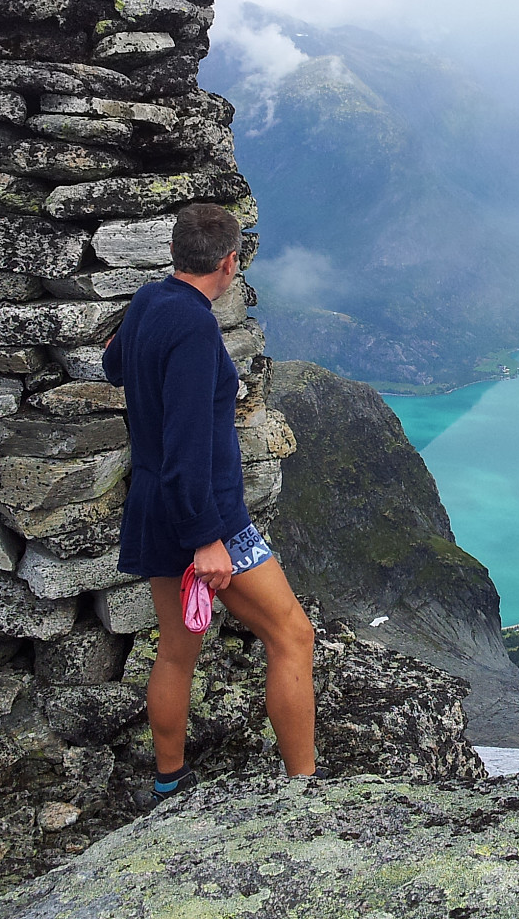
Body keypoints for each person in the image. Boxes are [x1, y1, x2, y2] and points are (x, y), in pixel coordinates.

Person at [102, 202, 317, 801]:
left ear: (176, 253)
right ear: (229, 262)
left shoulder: (149, 300)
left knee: (176, 649)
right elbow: (190, 444)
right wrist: (207, 539)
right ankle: (306, 790)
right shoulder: (196, 327)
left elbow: (114, 364)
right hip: (208, 516)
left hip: (152, 504)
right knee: (293, 636)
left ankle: (168, 783)